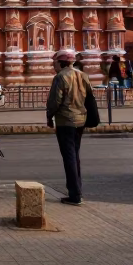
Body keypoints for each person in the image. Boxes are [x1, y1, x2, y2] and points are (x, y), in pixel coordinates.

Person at [47, 50, 90, 205]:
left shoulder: (60, 77)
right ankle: (77, 191)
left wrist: (49, 117)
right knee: (75, 156)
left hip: (65, 121)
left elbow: (54, 101)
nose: (54, 65)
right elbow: (90, 99)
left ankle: (75, 195)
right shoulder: (82, 75)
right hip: (80, 120)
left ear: (61, 62)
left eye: (55, 63)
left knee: (69, 157)